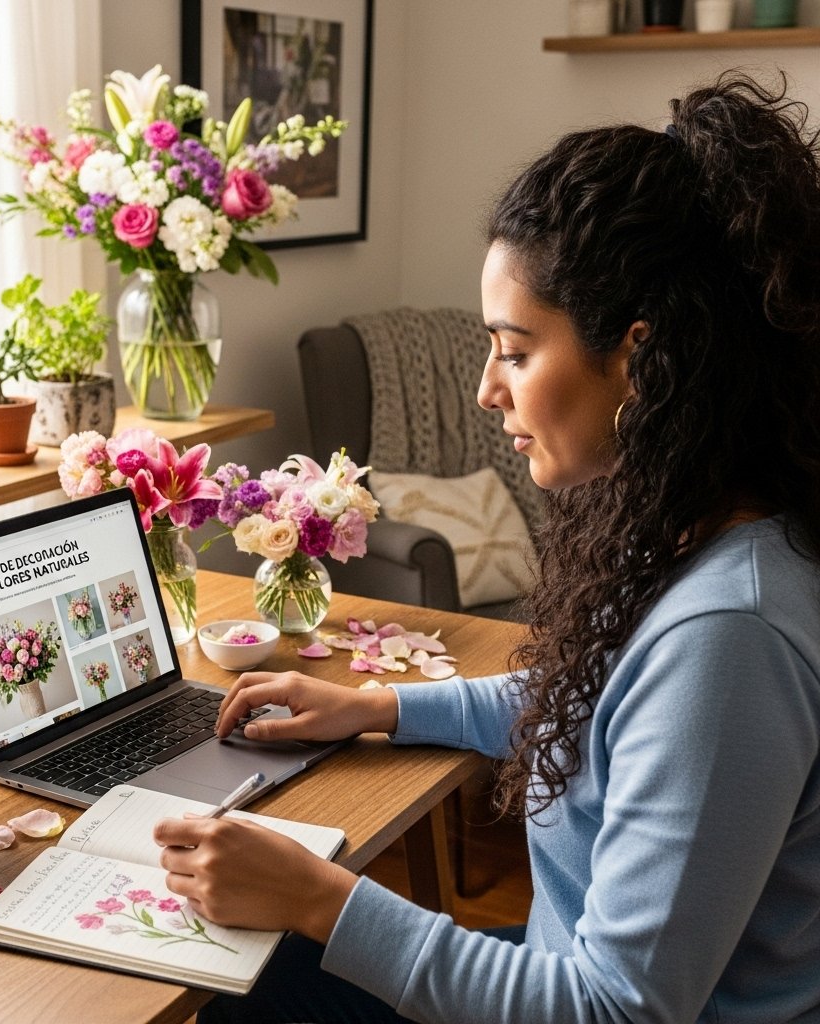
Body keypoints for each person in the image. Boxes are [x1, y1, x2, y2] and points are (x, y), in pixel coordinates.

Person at [152, 71, 820, 1023]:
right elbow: (599, 716)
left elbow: (615, 1011)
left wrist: (316, 895)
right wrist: (373, 705)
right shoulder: (689, 522)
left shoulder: (732, 640)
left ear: (638, 355)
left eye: (513, 349)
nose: (485, 390)